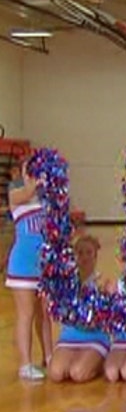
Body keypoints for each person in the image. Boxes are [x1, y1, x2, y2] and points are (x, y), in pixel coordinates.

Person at [6, 158, 52, 380]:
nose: (34, 174)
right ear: (23, 174)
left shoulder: (48, 200)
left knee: (44, 314)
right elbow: (25, 193)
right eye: (29, 170)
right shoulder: (16, 195)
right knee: (26, 313)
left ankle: (49, 356)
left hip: (44, 267)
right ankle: (25, 364)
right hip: (23, 265)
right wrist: (34, 183)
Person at [47, 235, 111, 383]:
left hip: (95, 338)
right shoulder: (66, 283)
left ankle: (99, 360)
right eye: (80, 253)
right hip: (69, 338)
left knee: (78, 373)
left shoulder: (103, 283)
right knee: (56, 374)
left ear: (95, 256)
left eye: (89, 253)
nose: (84, 257)